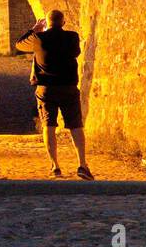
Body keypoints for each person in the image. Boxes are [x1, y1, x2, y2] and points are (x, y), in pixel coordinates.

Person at [14, 11, 95, 180]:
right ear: (63, 21)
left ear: (48, 23)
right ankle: (82, 164)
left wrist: (34, 30)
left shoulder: (39, 38)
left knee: (49, 126)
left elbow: (19, 45)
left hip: (46, 89)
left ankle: (55, 167)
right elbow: (76, 53)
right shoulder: (72, 37)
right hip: (68, 87)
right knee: (75, 125)